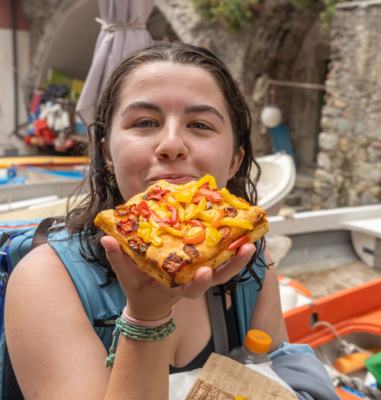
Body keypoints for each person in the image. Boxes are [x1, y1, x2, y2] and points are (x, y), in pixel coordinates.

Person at [5, 41, 336, 400]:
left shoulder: (249, 259)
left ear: (234, 161)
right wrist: (146, 315)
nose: (172, 144)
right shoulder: (45, 279)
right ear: (107, 152)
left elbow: (275, 371)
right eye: (145, 122)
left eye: (200, 124)